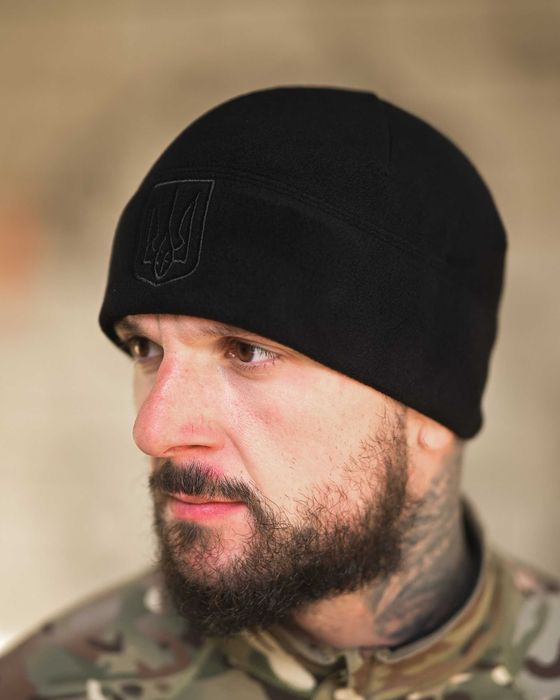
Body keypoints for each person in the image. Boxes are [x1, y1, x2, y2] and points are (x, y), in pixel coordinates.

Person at [1, 86, 558, 700]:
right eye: (146, 349)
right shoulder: (48, 684)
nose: (154, 431)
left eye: (248, 351)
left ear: (430, 401)